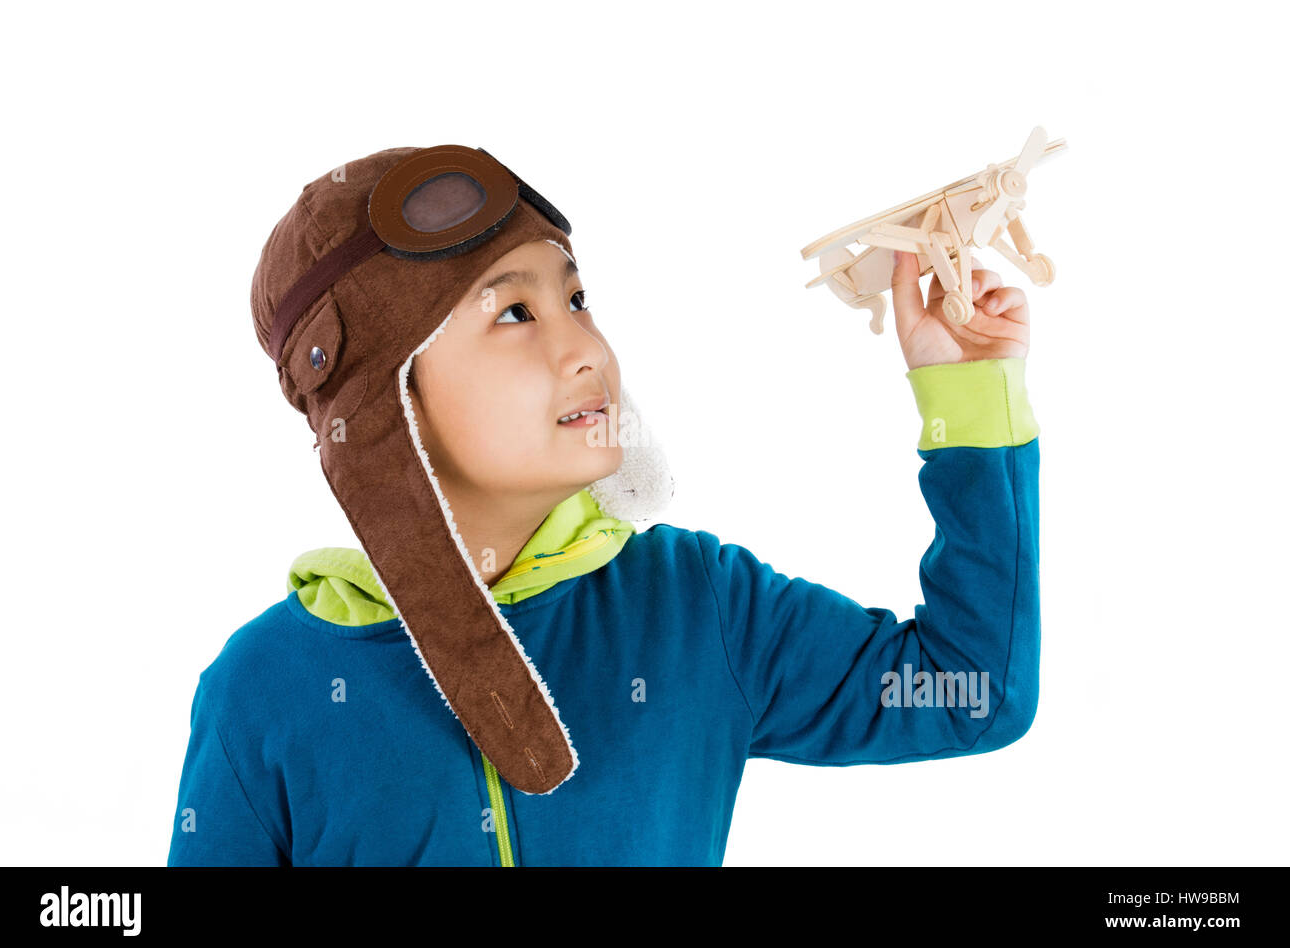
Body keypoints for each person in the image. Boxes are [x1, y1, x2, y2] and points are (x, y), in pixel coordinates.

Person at [167, 144, 1040, 866]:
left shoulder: (696, 608)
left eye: (577, 299)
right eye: (513, 312)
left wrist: (968, 398)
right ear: (385, 405)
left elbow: (973, 692)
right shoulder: (264, 690)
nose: (586, 347)